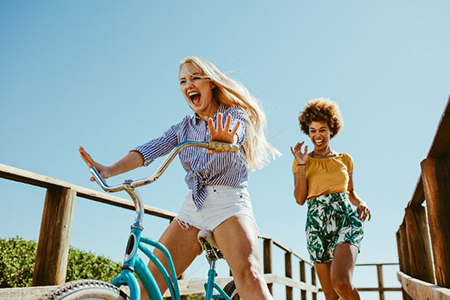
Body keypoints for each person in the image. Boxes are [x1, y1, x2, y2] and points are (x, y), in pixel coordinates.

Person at [80, 56, 279, 300]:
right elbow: (151, 149)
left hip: (229, 202)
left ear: (211, 83)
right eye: (183, 81)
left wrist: (227, 140)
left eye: (196, 78)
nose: (189, 85)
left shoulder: (232, 114)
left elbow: (236, 132)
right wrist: (110, 170)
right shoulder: (183, 128)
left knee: (249, 275)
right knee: (147, 288)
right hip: (194, 207)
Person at [290, 98, 371, 300]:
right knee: (330, 296)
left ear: (331, 130)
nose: (318, 135)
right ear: (307, 132)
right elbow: (300, 199)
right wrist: (301, 165)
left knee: (342, 283)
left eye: (322, 129)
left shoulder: (345, 159)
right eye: (313, 130)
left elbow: (350, 192)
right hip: (316, 225)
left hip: (345, 219)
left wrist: (361, 202)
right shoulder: (302, 161)